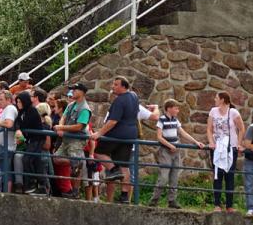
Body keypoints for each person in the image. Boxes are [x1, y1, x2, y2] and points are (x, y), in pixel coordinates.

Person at [148, 99, 204, 208]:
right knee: (163, 178)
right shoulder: (162, 120)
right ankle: (154, 199)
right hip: (165, 152)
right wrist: (170, 146)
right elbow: (159, 137)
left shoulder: (175, 120)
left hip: (176, 152)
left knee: (174, 177)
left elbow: (182, 133)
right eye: (176, 108)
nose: (178, 110)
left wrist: (196, 142)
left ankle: (172, 200)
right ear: (169, 108)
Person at [92, 76, 139, 204]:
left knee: (98, 152)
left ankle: (113, 170)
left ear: (123, 87)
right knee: (125, 165)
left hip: (117, 134)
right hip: (131, 135)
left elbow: (113, 121)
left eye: (116, 84)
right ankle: (124, 196)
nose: (113, 86)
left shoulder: (119, 100)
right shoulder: (134, 96)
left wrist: (99, 133)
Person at [206, 92, 245, 212]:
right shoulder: (213, 111)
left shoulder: (233, 112)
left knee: (229, 176)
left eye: (216, 98)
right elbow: (209, 128)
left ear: (222, 100)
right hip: (217, 148)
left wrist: (238, 143)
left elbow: (241, 128)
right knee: (218, 176)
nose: (215, 99)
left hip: (230, 148)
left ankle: (229, 206)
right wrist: (211, 142)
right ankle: (217, 204)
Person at [53, 83, 91, 198]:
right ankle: (76, 162)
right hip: (67, 138)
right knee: (56, 158)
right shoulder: (71, 105)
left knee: (75, 167)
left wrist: (61, 128)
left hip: (77, 140)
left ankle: (75, 191)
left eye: (75, 89)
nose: (72, 91)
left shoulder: (85, 109)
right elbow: (63, 118)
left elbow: (79, 127)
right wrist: (61, 126)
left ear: (82, 92)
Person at [14, 91, 45, 194]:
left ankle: (33, 182)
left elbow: (25, 124)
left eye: (20, 102)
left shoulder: (32, 111)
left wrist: (19, 129)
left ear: (25, 101)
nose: (18, 104)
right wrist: (18, 129)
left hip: (37, 140)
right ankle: (37, 184)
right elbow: (17, 122)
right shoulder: (22, 112)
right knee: (34, 160)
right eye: (17, 102)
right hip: (30, 140)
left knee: (27, 159)